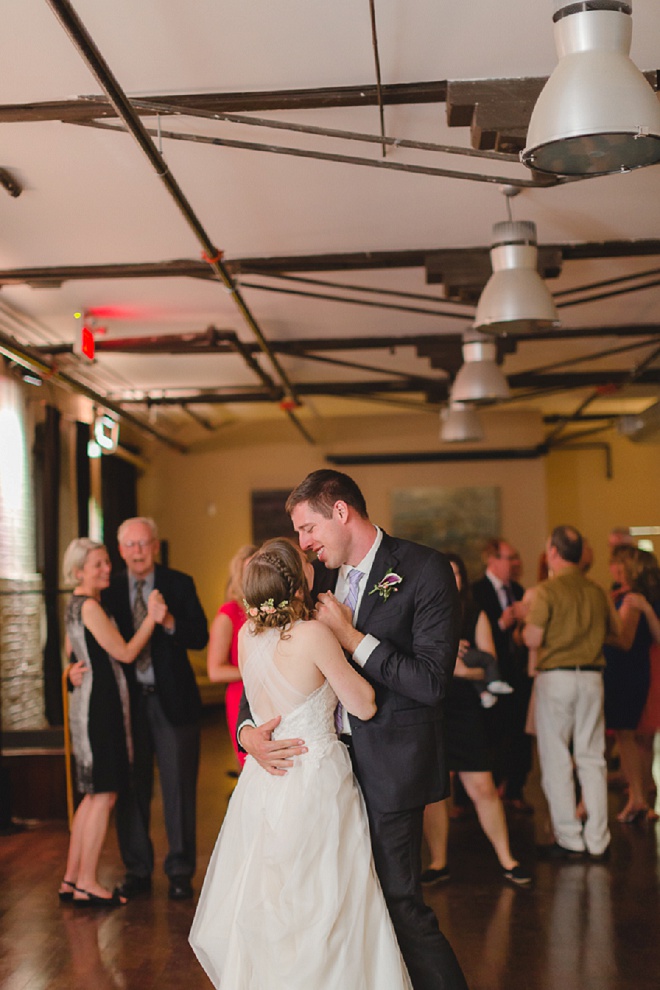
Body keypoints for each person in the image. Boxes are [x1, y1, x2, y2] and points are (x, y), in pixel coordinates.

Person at [237, 470, 468, 990]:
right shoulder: (317, 577)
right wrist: (248, 731)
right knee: (338, 908)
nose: (303, 544)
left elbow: (432, 682)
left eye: (307, 528)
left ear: (341, 512)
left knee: (398, 904)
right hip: (322, 777)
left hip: (391, 767)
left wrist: (350, 635)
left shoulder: (425, 569)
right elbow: (269, 664)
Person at [190, 539, 412, 989]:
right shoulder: (313, 634)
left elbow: (255, 699)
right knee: (324, 899)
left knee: (273, 898)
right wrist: (347, 635)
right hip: (315, 775)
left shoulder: (245, 635)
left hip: (264, 781)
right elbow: (364, 704)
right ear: (298, 581)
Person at [102, 517, 209, 901]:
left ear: (156, 546)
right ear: (120, 550)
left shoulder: (178, 583)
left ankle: (180, 871)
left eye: (143, 543)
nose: (137, 551)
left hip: (173, 703)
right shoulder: (108, 588)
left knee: (179, 788)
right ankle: (137, 869)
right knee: (132, 788)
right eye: (130, 545)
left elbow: (200, 636)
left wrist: (168, 621)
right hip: (126, 706)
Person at [421, 552, 531, 888]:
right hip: (432, 708)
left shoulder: (475, 613)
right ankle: (439, 862)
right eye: (445, 573)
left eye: (456, 574)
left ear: (463, 580)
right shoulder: (420, 613)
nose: (451, 580)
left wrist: (459, 669)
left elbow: (489, 665)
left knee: (483, 786)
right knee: (436, 792)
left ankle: (507, 858)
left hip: (466, 708)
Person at [60, 537, 158, 907]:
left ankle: (71, 878)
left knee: (92, 794)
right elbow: (126, 652)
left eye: (105, 562)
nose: (106, 569)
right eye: (98, 564)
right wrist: (152, 616)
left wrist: (71, 670)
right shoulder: (90, 608)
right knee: (104, 794)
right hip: (102, 708)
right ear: (79, 570)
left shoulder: (74, 604)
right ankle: (87, 881)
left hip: (89, 705)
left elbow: (73, 653)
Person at [523, 525, 620, 860]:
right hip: (592, 676)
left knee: (556, 758)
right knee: (593, 758)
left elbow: (533, 639)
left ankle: (570, 838)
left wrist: (527, 627)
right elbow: (616, 633)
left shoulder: (548, 591)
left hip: (557, 678)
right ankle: (598, 840)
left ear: (553, 552)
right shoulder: (597, 591)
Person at [472, 538, 533, 813]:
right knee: (489, 735)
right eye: (511, 558)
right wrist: (500, 624)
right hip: (487, 678)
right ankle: (485, 794)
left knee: (520, 735)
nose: (516, 563)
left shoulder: (519, 590)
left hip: (518, 675)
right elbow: (470, 636)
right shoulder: (476, 592)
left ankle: (514, 790)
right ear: (492, 560)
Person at [603, 545, 655, 822]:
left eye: (616, 564)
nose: (612, 568)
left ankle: (637, 797)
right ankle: (638, 796)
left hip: (625, 672)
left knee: (626, 736)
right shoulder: (625, 596)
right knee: (625, 736)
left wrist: (594, 628)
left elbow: (624, 640)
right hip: (627, 671)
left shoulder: (633, 600)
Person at [206, 544, 257, 772]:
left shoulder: (271, 609)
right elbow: (215, 670)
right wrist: (256, 670)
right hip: (241, 697)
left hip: (271, 694)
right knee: (251, 766)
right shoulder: (229, 613)